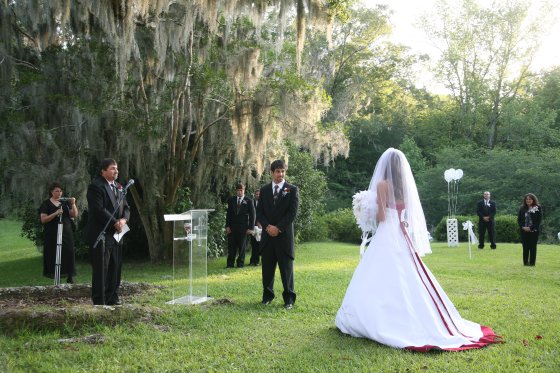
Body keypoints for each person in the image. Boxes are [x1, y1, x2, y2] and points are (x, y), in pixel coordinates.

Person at [335, 148, 501, 351]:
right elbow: (406, 213)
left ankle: (376, 316)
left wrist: (366, 209)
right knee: (408, 274)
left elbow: (381, 217)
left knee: (377, 273)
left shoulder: (382, 185)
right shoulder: (405, 185)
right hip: (402, 234)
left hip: (387, 233)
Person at [85, 158, 130, 305]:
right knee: (101, 269)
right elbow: (99, 210)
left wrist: (123, 220)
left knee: (115, 267)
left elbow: (127, 208)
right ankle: (100, 301)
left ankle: (112, 298)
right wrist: (114, 222)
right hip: (102, 234)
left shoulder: (119, 187)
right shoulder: (96, 187)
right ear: (103, 171)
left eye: (116, 168)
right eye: (112, 168)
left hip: (118, 234)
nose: (116, 171)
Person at [257, 160, 299, 309]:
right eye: (277, 171)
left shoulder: (291, 189)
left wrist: (278, 228)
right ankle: (267, 296)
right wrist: (268, 227)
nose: (280, 174)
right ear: (271, 172)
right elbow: (259, 211)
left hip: (283, 237)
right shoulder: (265, 190)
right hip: (268, 236)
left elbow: (292, 213)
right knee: (267, 268)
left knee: (286, 270)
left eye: (283, 171)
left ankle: (289, 299)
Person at [39, 182, 78, 284]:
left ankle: (70, 275)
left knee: (68, 252)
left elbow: (74, 214)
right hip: (52, 234)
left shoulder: (65, 202)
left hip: (66, 233)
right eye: (57, 191)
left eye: (60, 191)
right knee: (54, 254)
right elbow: (43, 219)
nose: (59, 193)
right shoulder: (46, 204)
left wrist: (73, 204)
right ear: (51, 192)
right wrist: (55, 213)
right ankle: (57, 276)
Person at [225, 183, 255, 268]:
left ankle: (240, 264)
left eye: (241, 190)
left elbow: (253, 215)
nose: (239, 192)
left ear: (244, 190)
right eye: (238, 190)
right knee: (231, 247)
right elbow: (228, 214)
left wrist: (251, 228)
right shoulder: (231, 200)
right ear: (236, 191)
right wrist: (227, 226)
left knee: (242, 247)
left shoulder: (249, 201)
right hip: (232, 227)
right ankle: (230, 264)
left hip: (244, 228)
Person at [517, 193, 542, 266]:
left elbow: (538, 220)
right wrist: (523, 227)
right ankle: (525, 262)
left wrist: (530, 228)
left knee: (533, 247)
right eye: (527, 199)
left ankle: (532, 263)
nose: (528, 200)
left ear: (533, 200)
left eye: (530, 199)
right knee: (525, 247)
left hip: (534, 231)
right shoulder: (522, 208)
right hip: (524, 231)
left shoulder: (538, 207)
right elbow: (519, 220)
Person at [249, 190, 261, 266]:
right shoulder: (251, 203)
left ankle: (263, 260)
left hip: (263, 226)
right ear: (254, 195)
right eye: (256, 194)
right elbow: (251, 214)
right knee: (254, 244)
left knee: (263, 244)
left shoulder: (265, 203)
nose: (258, 195)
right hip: (253, 226)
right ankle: (254, 260)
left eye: (259, 194)